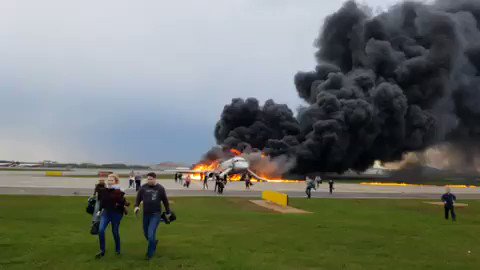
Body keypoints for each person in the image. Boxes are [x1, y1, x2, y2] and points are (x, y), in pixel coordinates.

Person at [134, 172, 171, 260]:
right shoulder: (143, 187)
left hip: (156, 214)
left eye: (151, 179)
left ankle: (149, 254)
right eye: (148, 179)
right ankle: (154, 242)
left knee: (151, 234)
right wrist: (136, 206)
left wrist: (168, 211)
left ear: (155, 179)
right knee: (146, 233)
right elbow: (138, 199)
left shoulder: (160, 188)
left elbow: (165, 200)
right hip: (146, 214)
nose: (149, 181)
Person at [96, 174, 128, 258]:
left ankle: (118, 250)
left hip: (116, 214)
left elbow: (123, 202)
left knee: (115, 231)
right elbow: (102, 202)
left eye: (111, 180)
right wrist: (99, 211)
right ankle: (102, 250)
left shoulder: (119, 191)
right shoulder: (103, 190)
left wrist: (120, 195)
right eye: (108, 180)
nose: (109, 182)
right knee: (101, 230)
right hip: (106, 213)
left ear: (115, 182)